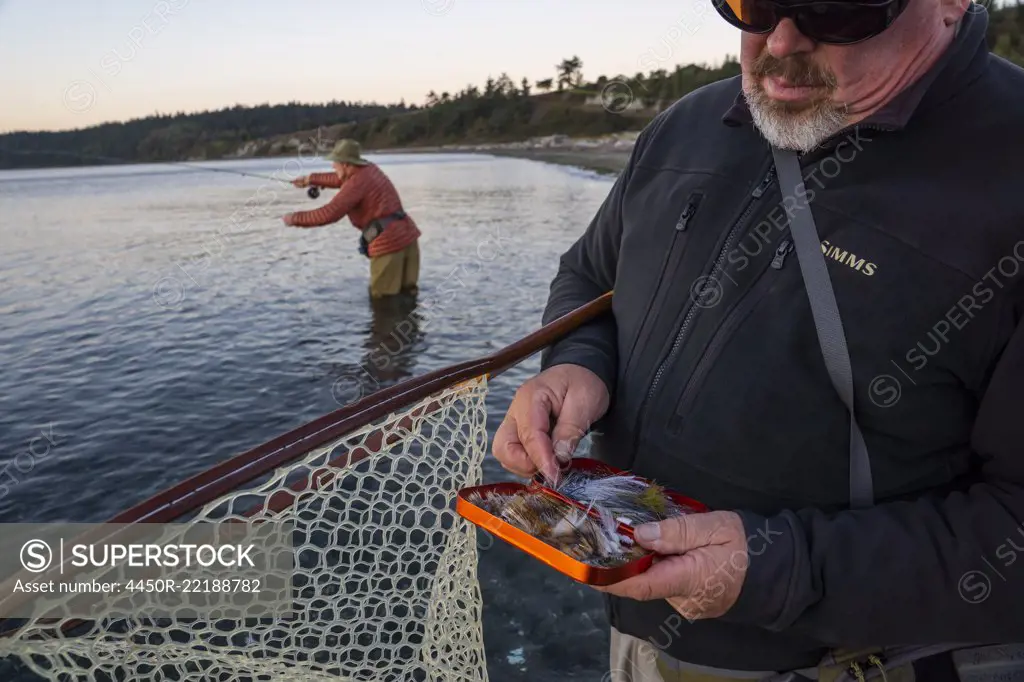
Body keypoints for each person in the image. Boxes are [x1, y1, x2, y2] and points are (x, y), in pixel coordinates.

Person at [492, 0, 1024, 680]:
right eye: (751, 3)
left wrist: (780, 568)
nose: (781, 39)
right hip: (636, 644)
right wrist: (577, 363)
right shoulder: (686, 126)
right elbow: (590, 274)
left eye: (838, 8)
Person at [285, 139, 421, 299]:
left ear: (346, 164)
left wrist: (295, 218)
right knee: (408, 297)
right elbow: (339, 179)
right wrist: (310, 179)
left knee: (384, 302)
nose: (332, 166)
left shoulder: (356, 183)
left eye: (335, 163)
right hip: (407, 237)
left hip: (388, 244)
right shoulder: (369, 169)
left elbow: (329, 213)